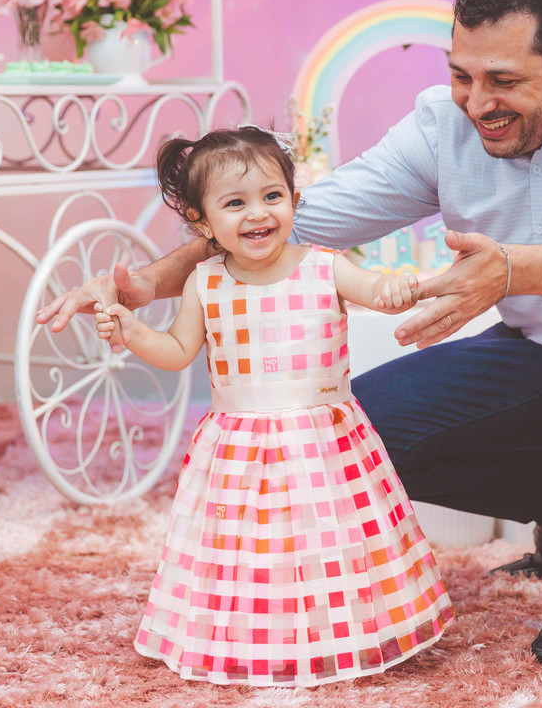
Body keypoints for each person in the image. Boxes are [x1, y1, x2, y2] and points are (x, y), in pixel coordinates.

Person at [39, 0, 542, 665]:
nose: (477, 104)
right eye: (461, 75)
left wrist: (514, 269)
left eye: (504, 81)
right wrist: (147, 283)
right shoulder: (443, 127)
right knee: (354, 439)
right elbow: (295, 223)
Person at [98, 126, 453, 687]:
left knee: (329, 537)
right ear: (201, 221)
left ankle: (339, 630)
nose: (258, 213)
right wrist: (133, 331)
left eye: (272, 196)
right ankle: (254, 636)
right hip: (239, 444)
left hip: (324, 441)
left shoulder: (324, 266)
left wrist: (394, 290)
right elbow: (177, 351)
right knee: (250, 546)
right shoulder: (204, 282)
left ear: (293, 199)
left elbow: (373, 290)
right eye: (235, 203)